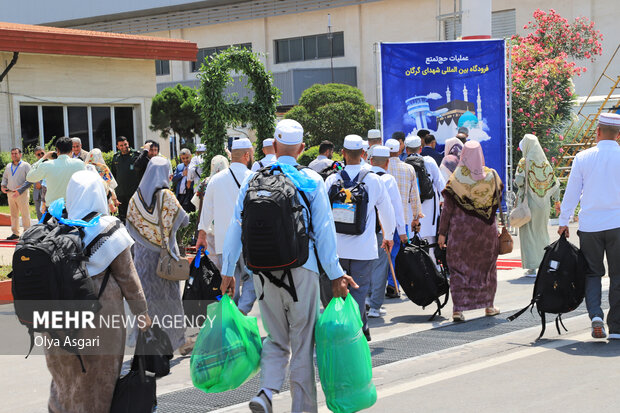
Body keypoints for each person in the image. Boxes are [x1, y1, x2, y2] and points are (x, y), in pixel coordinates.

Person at [218, 119, 354, 413]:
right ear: (303, 148)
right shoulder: (311, 181)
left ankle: (266, 393)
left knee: (276, 339)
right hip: (301, 269)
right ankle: (302, 409)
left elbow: (235, 227)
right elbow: (325, 232)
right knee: (302, 343)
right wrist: (336, 275)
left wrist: (228, 271)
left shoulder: (253, 180)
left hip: (262, 273)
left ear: (274, 147)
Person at [45, 170, 150, 413]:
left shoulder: (54, 224)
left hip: (57, 321)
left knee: (64, 381)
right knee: (97, 384)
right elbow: (128, 277)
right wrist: (143, 315)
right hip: (100, 321)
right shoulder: (107, 227)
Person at [325, 134, 395, 341]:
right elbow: (387, 211)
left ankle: (347, 330)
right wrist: (388, 236)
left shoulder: (332, 179)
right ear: (364, 154)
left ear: (343, 153)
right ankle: (357, 332)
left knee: (337, 290)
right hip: (363, 248)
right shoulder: (373, 179)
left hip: (336, 248)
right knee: (358, 291)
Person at [558, 113, 620, 340]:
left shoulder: (583, 157)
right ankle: (616, 328)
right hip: (618, 224)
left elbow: (572, 192)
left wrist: (564, 221)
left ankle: (595, 316)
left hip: (590, 226)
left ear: (598, 132)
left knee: (593, 273)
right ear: (619, 135)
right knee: (618, 276)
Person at [126, 156, 189, 351]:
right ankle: (177, 341)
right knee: (170, 301)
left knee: (146, 302)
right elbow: (184, 220)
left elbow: (130, 225)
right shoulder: (166, 196)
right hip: (165, 258)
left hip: (143, 257)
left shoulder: (135, 198)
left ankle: (144, 342)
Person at [438, 141, 502, 322]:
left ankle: (458, 310)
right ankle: (489, 306)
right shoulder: (492, 177)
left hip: (461, 235)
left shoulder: (455, 180)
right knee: (487, 269)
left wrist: (442, 233)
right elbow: (497, 201)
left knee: (459, 270)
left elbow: (447, 210)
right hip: (486, 233)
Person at [195, 139, 257, 314]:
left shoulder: (215, 180)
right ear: (246, 155)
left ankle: (232, 315)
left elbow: (206, 212)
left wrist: (202, 236)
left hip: (224, 242)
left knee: (229, 280)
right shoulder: (254, 178)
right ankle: (242, 312)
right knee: (252, 279)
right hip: (250, 243)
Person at [367, 145, 405, 318]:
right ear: (387, 162)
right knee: (381, 266)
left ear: (371, 160)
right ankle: (375, 305)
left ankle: (366, 298)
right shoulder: (388, 179)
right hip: (382, 228)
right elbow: (396, 208)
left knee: (366, 265)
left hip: (364, 228)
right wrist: (399, 231)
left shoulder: (364, 176)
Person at [516, 134, 560, 277]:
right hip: (544, 205)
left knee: (529, 234)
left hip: (529, 204)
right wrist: (557, 201)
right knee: (542, 233)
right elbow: (555, 185)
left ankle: (532, 267)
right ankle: (544, 262)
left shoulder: (524, 162)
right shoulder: (546, 163)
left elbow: (519, 181)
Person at [384, 138, 422, 298]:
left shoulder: (379, 168)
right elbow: (414, 196)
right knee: (398, 253)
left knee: (382, 253)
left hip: (382, 219)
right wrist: (416, 217)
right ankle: (394, 284)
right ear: (400, 151)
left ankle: (382, 285)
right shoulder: (408, 169)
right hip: (403, 219)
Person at [405, 135, 446, 263]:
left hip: (411, 217)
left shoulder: (404, 165)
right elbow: (441, 184)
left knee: (413, 249)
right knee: (431, 250)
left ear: (406, 150)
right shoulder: (429, 161)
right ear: (420, 148)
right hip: (430, 216)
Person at [191, 155, 229, 268]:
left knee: (212, 260)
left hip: (208, 227)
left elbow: (197, 204)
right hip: (226, 226)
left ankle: (215, 284)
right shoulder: (229, 181)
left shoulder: (206, 182)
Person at [26, 136, 86, 205]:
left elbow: (29, 177)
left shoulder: (47, 165)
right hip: (74, 207)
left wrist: (43, 158)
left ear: (57, 150)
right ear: (71, 150)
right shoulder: (79, 164)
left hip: (54, 209)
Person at [1, 148, 31, 240]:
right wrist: (2, 186)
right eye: (12, 153)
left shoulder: (26, 165)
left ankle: (27, 233)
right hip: (10, 193)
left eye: (16, 153)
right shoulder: (8, 166)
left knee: (25, 213)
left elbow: (30, 179)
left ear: (20, 154)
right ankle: (15, 233)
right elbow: (5, 178)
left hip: (22, 194)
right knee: (13, 214)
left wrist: (21, 188)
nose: (14, 155)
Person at [110, 136, 140, 222]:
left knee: (134, 216)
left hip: (133, 192)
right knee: (122, 217)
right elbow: (114, 175)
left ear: (128, 144)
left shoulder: (136, 155)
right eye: (121, 145)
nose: (124, 147)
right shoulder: (116, 157)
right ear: (117, 147)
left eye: (125, 144)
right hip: (121, 193)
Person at [86, 148, 120, 214]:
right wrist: (114, 199)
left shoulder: (86, 167)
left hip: (89, 198)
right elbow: (109, 185)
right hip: (104, 197)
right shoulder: (103, 168)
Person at [172, 148, 196, 212]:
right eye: (183, 158)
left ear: (190, 156)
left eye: (187, 158)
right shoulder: (179, 166)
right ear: (180, 158)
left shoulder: (194, 166)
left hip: (190, 194)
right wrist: (182, 174)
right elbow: (173, 179)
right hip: (180, 195)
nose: (185, 160)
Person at [31, 146, 47, 220]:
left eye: (42, 153)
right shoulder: (34, 165)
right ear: (35, 155)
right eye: (38, 154)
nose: (41, 155)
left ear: (45, 152)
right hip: (37, 194)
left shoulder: (51, 163)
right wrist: (36, 181)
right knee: (39, 215)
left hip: (48, 193)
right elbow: (30, 177)